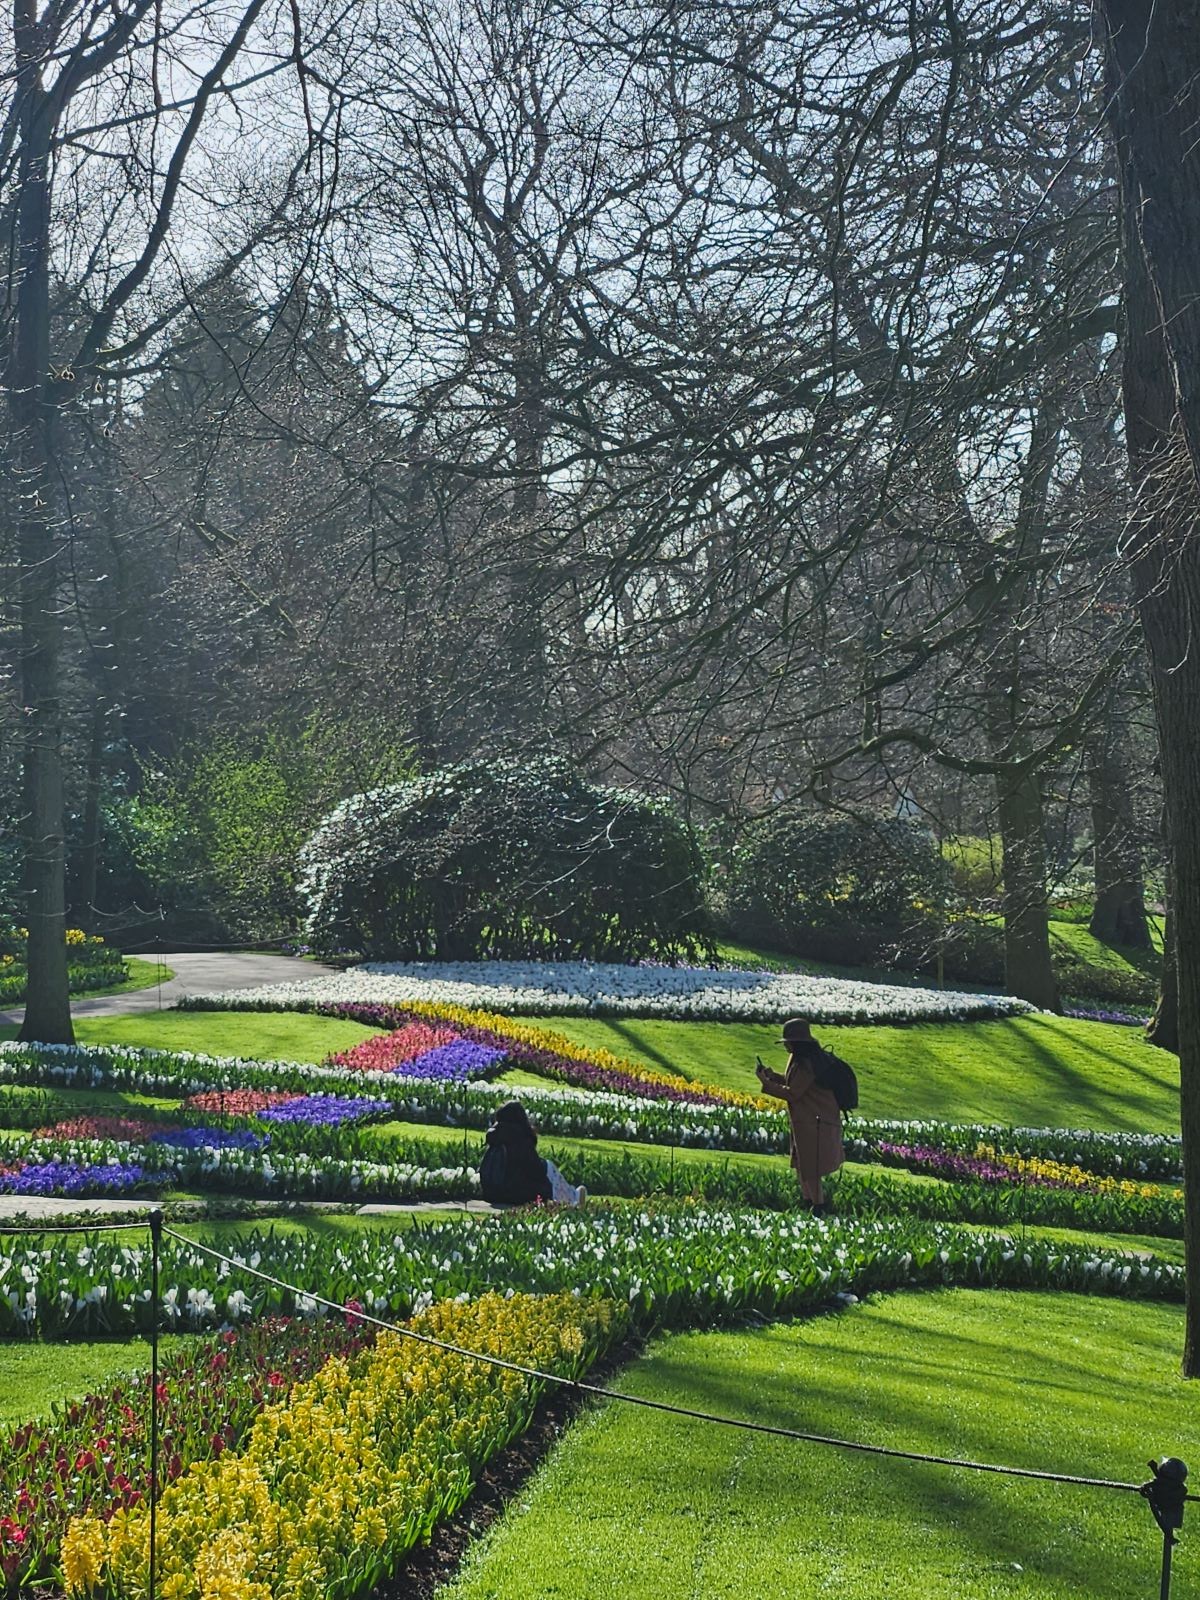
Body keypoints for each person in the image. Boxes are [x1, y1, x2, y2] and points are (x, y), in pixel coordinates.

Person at [755, 1017, 845, 1217]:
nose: (785, 1044)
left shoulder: (808, 1064)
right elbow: (792, 1083)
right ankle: (808, 1202)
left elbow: (793, 1093)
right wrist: (772, 1076)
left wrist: (766, 1084)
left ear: (797, 1042)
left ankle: (818, 1207)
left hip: (816, 1122)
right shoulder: (798, 1059)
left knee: (810, 1167)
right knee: (801, 1163)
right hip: (805, 1121)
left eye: (787, 1041)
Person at [479, 1100, 586, 1207]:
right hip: (514, 1194)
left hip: (491, 1193)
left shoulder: (494, 1138)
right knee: (548, 1169)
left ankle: (572, 1195)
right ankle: (573, 1197)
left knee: (547, 1170)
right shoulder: (520, 1137)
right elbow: (536, 1170)